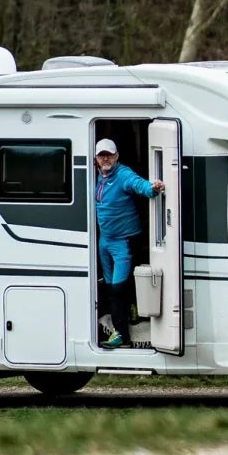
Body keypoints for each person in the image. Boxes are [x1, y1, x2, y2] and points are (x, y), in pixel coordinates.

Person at [93, 138, 163, 348]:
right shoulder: (95, 175)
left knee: (118, 287)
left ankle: (121, 334)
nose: (105, 158)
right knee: (108, 284)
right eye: (101, 155)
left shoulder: (123, 174)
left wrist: (153, 188)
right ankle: (129, 311)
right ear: (96, 158)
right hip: (104, 239)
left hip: (124, 241)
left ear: (117, 157)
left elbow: (138, 184)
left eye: (109, 155)